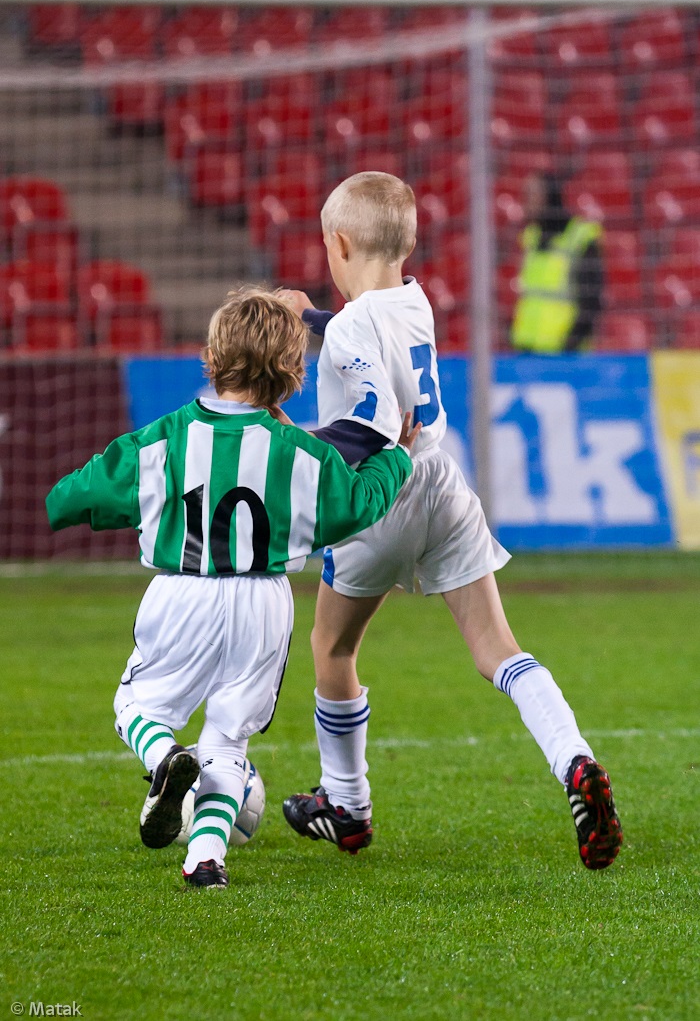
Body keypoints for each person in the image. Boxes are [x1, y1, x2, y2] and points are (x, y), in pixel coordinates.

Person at [280, 171, 623, 870]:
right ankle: (575, 761)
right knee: (499, 647)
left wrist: (292, 446)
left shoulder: (350, 326)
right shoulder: (415, 299)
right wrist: (310, 317)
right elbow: (362, 332)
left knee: (332, 647)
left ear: (338, 243)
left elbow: (368, 426)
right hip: (444, 482)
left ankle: (347, 804)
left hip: (383, 493)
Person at [45, 287, 413, 889]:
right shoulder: (301, 453)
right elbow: (359, 503)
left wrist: (63, 505)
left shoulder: (167, 437)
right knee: (227, 740)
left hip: (182, 594)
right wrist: (395, 455)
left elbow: (81, 494)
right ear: (293, 376)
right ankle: (205, 860)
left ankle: (164, 759)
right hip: (264, 605)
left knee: (136, 707)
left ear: (212, 360)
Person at [511, 171, 604, 354]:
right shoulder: (530, 237)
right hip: (526, 349)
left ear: (549, 196)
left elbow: (591, 301)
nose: (526, 201)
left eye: (532, 194)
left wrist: (570, 346)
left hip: (565, 355)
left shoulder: (581, 238)